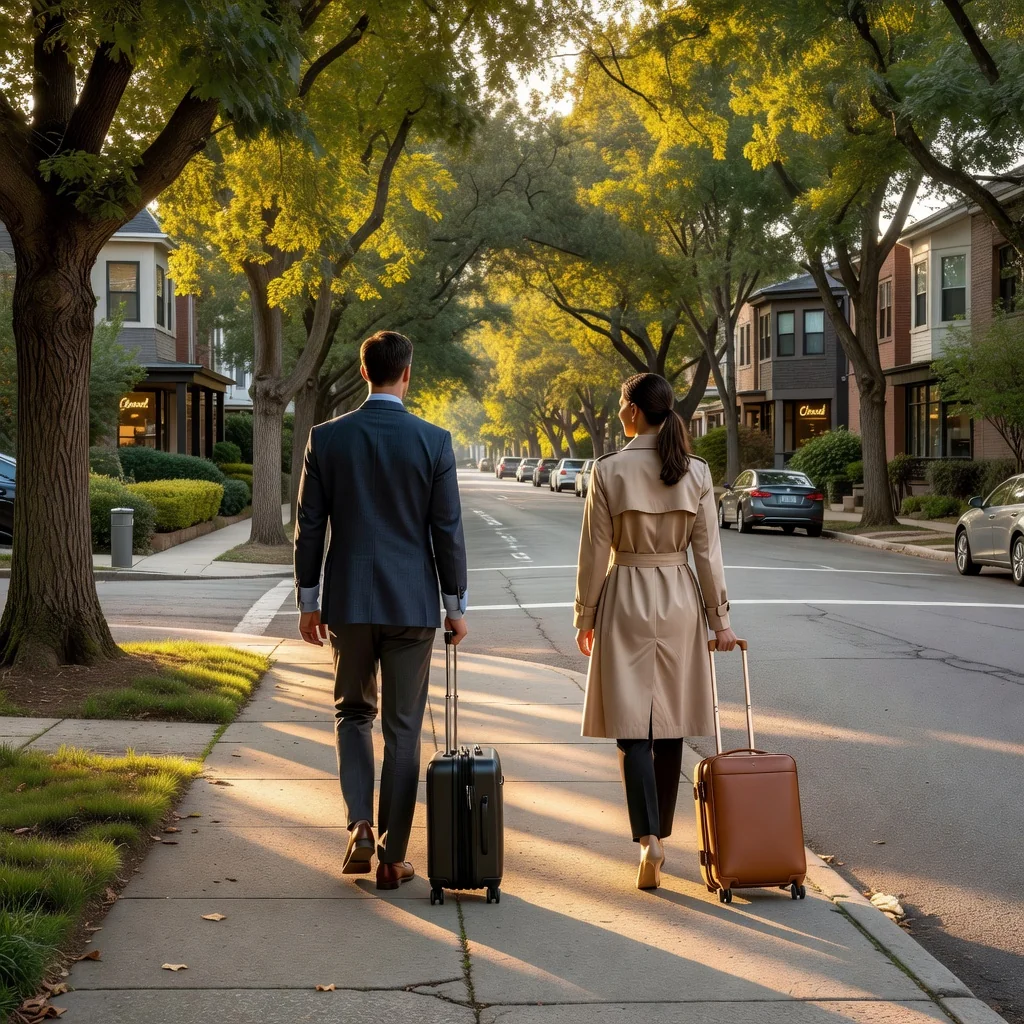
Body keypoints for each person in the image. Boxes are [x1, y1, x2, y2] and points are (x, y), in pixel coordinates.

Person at [293, 330, 469, 890]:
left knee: (352, 714)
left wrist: (308, 599)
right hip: (412, 604)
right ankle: (393, 856)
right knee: (402, 728)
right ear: (407, 374)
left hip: (347, 603)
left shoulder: (326, 438)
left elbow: (310, 525)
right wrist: (455, 605)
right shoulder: (434, 441)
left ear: (364, 372)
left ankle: (360, 826)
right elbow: (447, 530)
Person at [574, 372, 738, 891]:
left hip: (625, 593)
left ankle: (649, 841)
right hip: (679, 598)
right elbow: (708, 553)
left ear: (632, 413)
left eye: (623, 405)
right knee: (670, 725)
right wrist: (722, 621)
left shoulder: (608, 470)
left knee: (631, 726)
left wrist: (586, 615)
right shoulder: (696, 472)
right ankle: (661, 834)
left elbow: (594, 552)